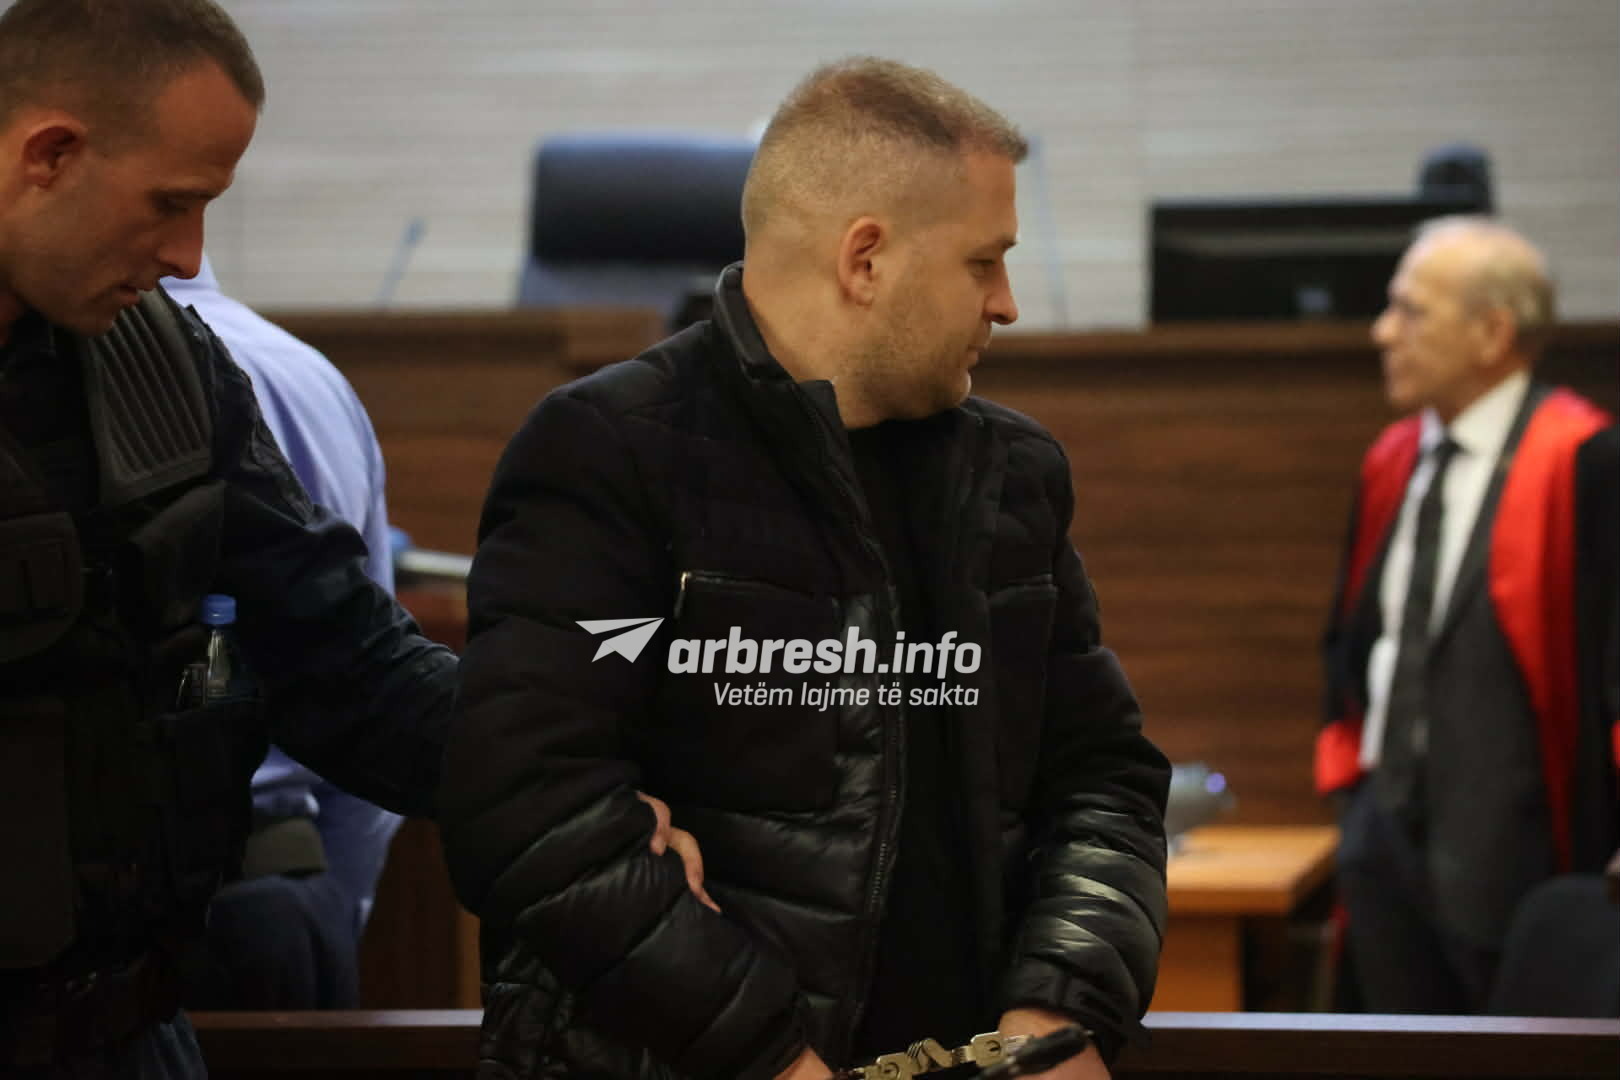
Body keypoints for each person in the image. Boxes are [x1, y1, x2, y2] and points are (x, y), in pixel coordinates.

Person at [0, 3, 702, 1075]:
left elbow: (342, 659)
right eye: (170, 203)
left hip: (127, 1033)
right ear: (47, 155)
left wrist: (569, 785)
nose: (187, 257)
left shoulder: (164, 368)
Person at [441, 57, 1170, 1080]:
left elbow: (1105, 780)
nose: (1007, 303)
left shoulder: (1014, 475)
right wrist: (772, 1058)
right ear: (865, 259)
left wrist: (1056, 1014)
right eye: (983, 262)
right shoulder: (607, 450)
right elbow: (529, 813)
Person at [1317, 216, 1616, 1014]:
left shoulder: (1585, 460)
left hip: (1525, 856)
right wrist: (1354, 797)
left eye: (1411, 311)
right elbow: (1353, 641)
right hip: (1384, 845)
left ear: (1492, 333)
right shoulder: (1392, 460)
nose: (1384, 332)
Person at [159, 256, 401, 1010]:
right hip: (292, 891)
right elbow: (373, 688)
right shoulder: (313, 376)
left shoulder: (102, 384)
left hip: (168, 920)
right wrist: (333, 907)